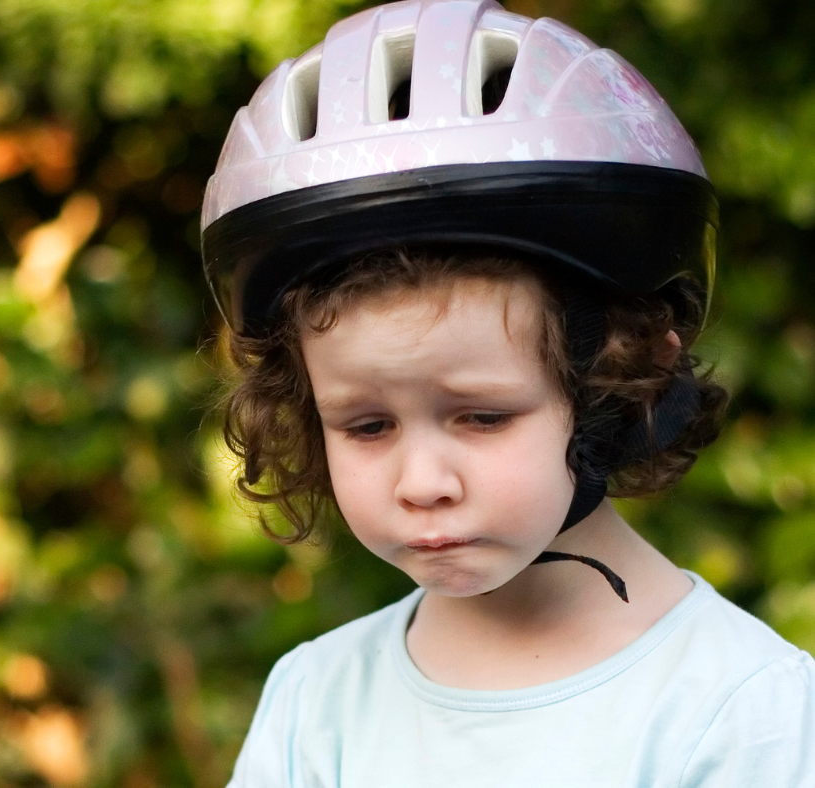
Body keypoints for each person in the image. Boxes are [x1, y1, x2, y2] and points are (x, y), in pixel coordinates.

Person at [200, 1, 815, 785]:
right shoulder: (314, 704)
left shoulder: (741, 710)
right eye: (366, 425)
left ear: (621, 384)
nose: (422, 484)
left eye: (483, 416)